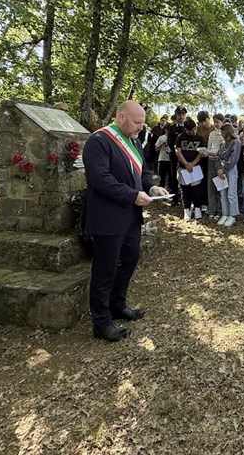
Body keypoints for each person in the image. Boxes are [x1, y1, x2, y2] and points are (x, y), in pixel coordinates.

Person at [83, 100, 169, 342]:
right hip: (108, 217)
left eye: (143, 123)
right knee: (105, 269)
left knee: (129, 260)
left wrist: (151, 188)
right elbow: (101, 179)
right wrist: (133, 195)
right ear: (121, 117)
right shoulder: (99, 141)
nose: (141, 127)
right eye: (137, 122)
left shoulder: (135, 141)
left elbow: (142, 172)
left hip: (131, 216)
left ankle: (117, 305)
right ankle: (100, 321)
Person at [175, 119, 206, 221]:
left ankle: (197, 208)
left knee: (197, 189)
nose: (194, 132)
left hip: (196, 167)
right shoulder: (180, 137)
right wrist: (186, 163)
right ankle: (186, 209)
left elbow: (201, 153)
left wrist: (193, 163)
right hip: (183, 168)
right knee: (185, 190)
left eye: (195, 129)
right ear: (186, 130)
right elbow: (178, 151)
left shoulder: (199, 137)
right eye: (191, 130)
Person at [216, 123, 240, 227]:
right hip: (221, 169)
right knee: (223, 193)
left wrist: (224, 169)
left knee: (231, 193)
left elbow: (233, 159)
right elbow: (218, 156)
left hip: (230, 169)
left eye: (222, 132)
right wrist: (219, 169)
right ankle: (225, 213)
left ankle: (232, 215)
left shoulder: (236, 142)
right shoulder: (222, 144)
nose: (221, 134)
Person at [165, 106, 188, 205]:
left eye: (183, 114)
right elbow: (170, 141)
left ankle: (187, 198)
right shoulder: (172, 127)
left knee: (187, 176)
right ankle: (174, 197)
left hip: (187, 155)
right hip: (174, 156)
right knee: (173, 176)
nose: (181, 117)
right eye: (179, 115)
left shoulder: (188, 127)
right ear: (176, 116)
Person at [206, 113, 225, 219]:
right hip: (211, 160)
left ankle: (220, 210)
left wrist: (217, 154)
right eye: (214, 121)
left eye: (218, 121)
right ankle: (211, 210)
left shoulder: (225, 133)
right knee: (211, 185)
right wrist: (208, 152)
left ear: (222, 121)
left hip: (220, 161)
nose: (216, 124)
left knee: (220, 186)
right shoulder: (212, 133)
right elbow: (209, 146)